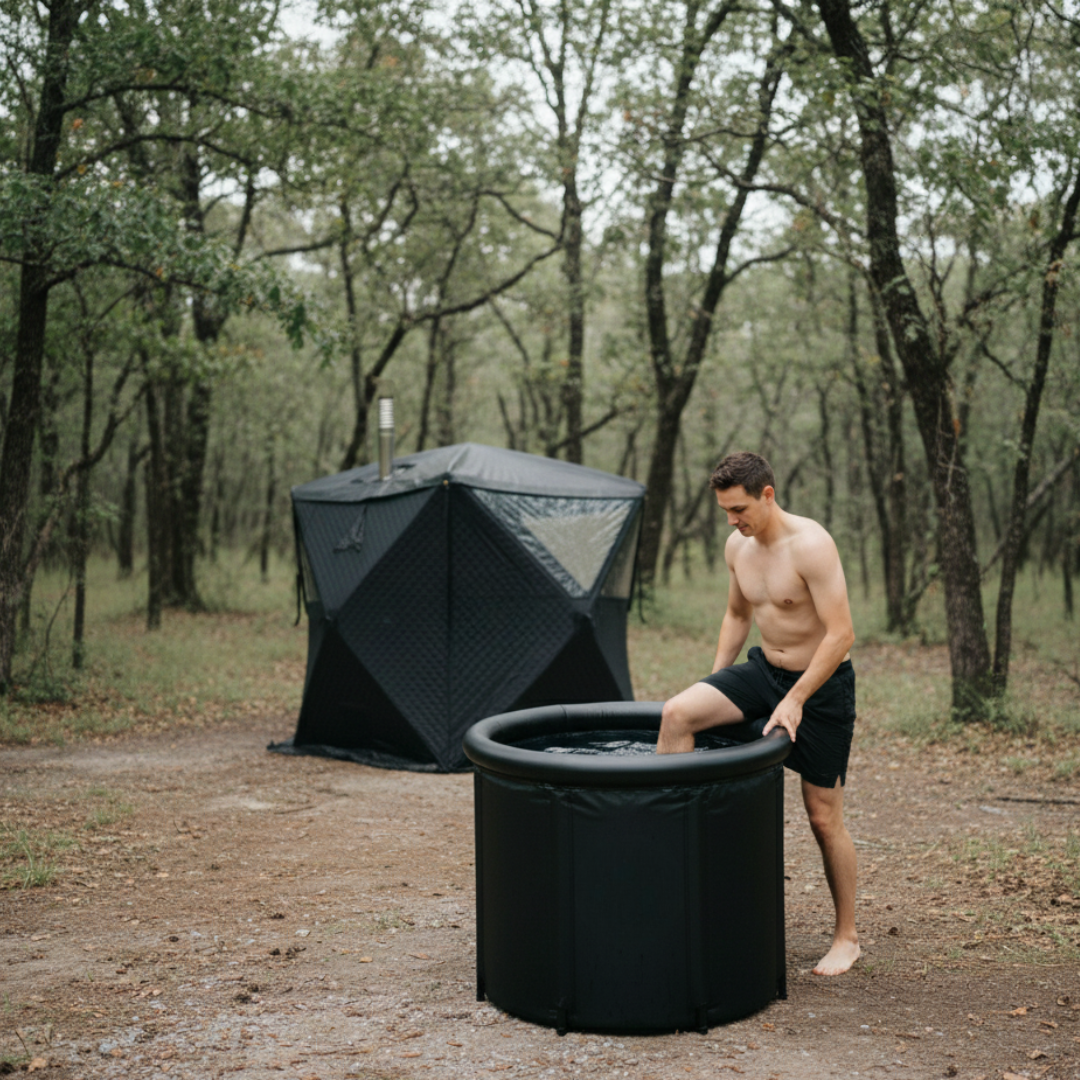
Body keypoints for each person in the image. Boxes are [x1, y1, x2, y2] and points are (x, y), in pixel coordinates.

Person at [656, 451, 860, 976]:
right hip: (762, 672)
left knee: (822, 817)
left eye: (739, 508)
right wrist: (714, 679)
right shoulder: (737, 546)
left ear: (767, 494)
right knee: (677, 714)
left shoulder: (811, 545)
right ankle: (673, 874)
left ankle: (847, 937)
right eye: (725, 511)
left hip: (819, 688)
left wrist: (796, 699)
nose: (732, 521)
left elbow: (841, 635)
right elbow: (736, 613)